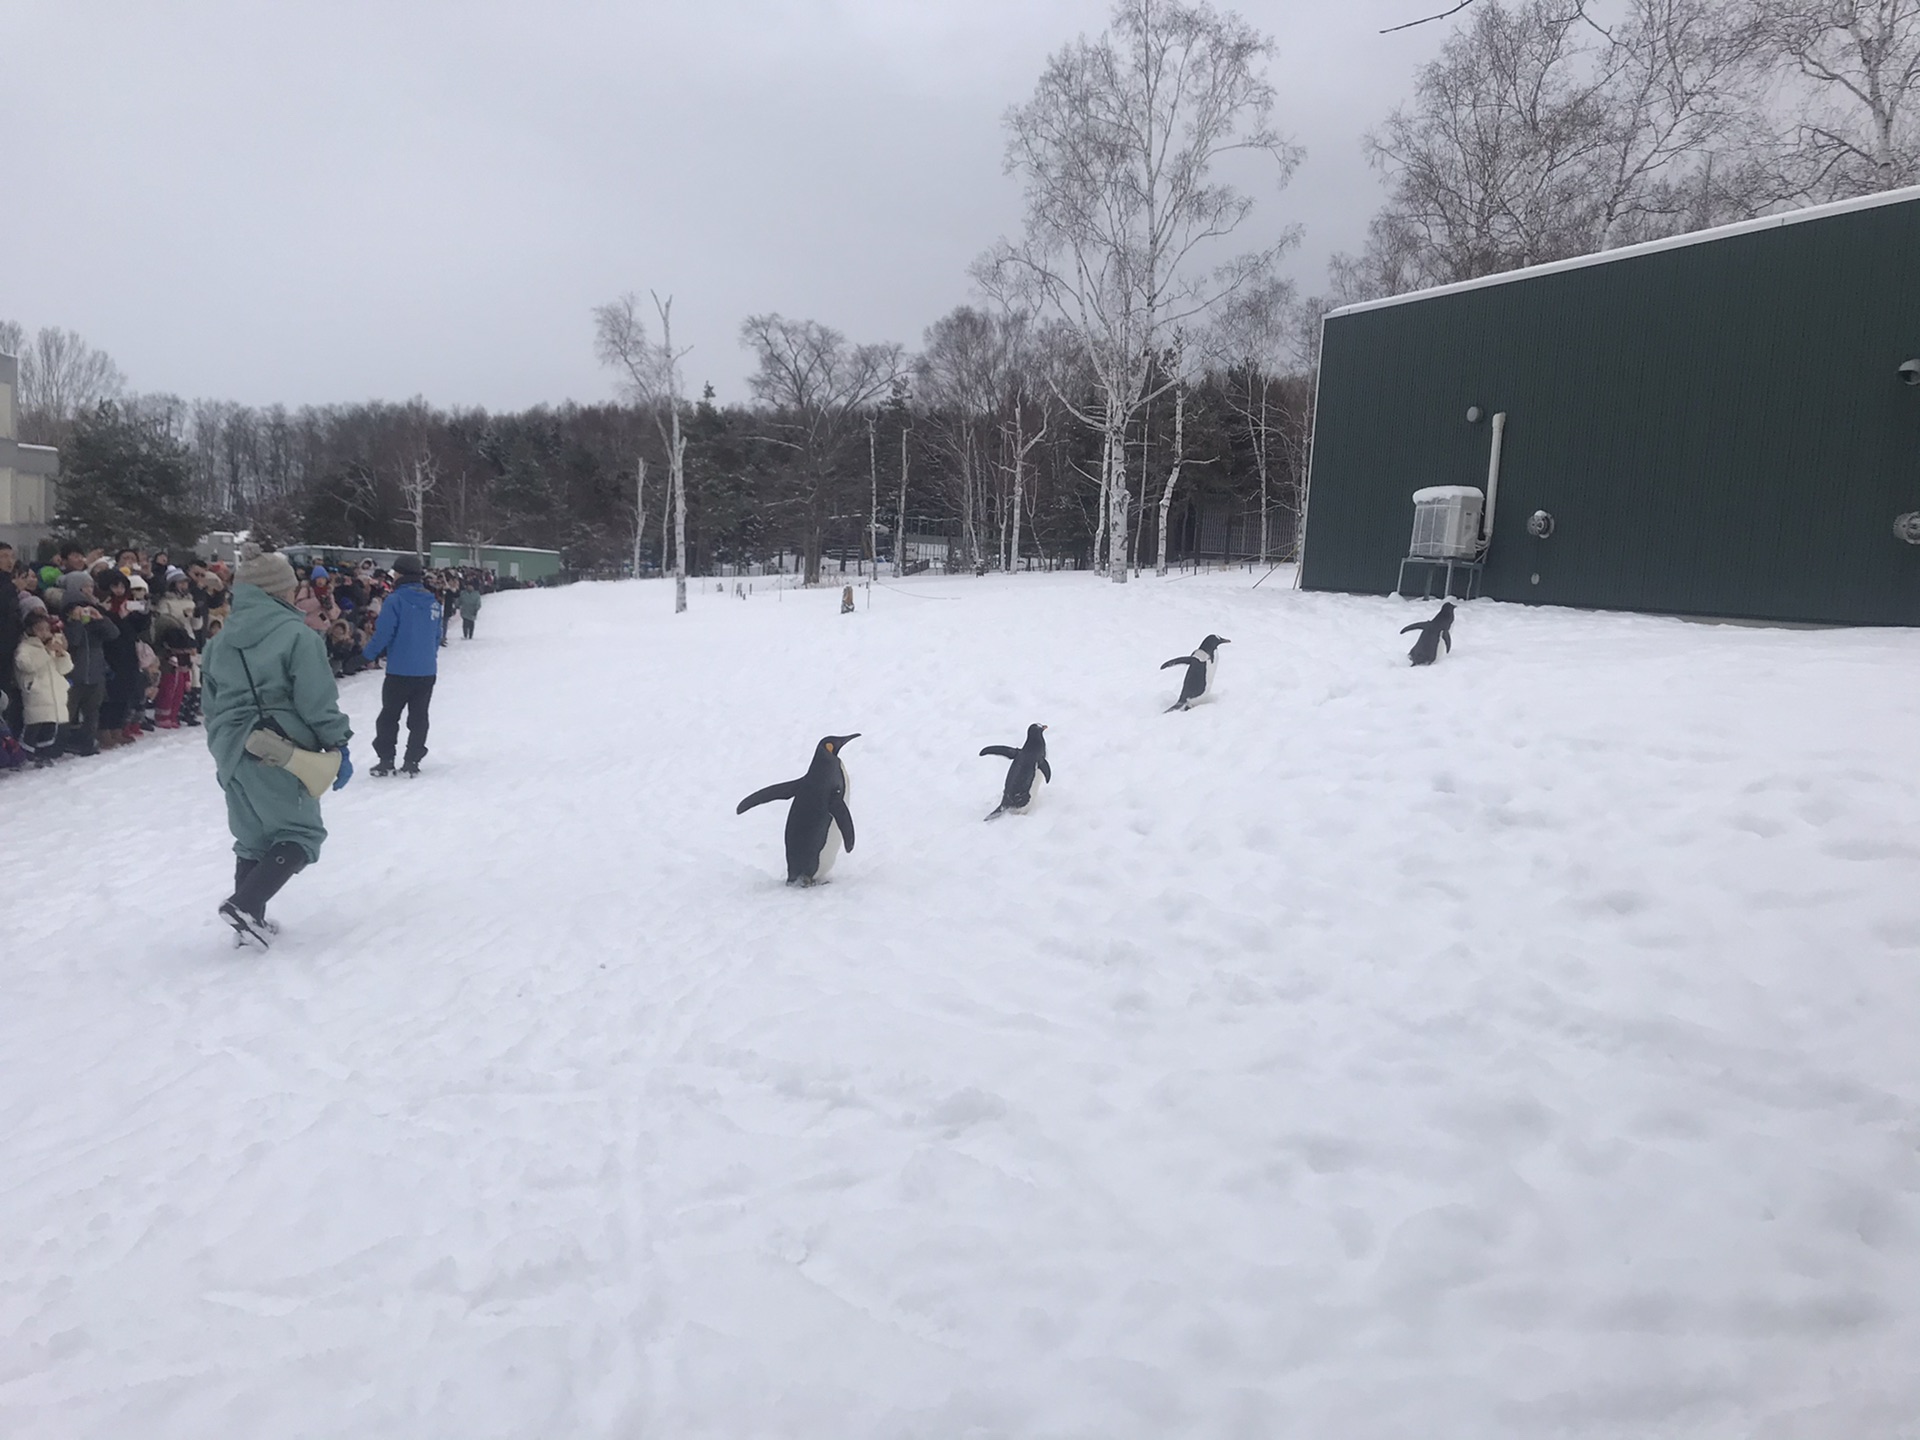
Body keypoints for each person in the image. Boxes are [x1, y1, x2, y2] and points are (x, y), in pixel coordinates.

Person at [201, 547, 353, 946]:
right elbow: (316, 698)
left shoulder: (219, 642)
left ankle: (248, 924)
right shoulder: (298, 636)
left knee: (252, 836)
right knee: (300, 833)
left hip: (229, 746)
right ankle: (246, 906)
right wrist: (337, 742)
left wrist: (223, 743)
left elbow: (209, 703)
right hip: (280, 748)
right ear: (277, 592)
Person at [362, 552, 441, 777]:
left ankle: (386, 760)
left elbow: (384, 634)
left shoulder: (395, 600)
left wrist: (366, 655)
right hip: (426, 671)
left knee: (389, 716)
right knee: (419, 717)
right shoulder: (433, 602)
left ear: (401, 574)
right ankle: (412, 761)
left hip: (399, 671)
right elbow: (437, 636)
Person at [61, 583, 117, 756]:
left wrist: (100, 618)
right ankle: (60, 744)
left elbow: (114, 634)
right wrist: (75, 622)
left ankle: (87, 742)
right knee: (67, 713)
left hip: (95, 674)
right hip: (73, 676)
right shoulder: (64, 626)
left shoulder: (94, 625)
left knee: (92, 713)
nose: (82, 611)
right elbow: (74, 642)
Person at [13, 610, 70, 765]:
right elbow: (26, 665)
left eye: (47, 629)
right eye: (40, 629)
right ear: (30, 630)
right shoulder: (25, 647)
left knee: (49, 729)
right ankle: (22, 756)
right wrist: (46, 651)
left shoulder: (52, 644)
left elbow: (66, 669)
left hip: (54, 694)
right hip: (37, 694)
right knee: (33, 728)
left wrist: (61, 654)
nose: (44, 633)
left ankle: (43, 755)